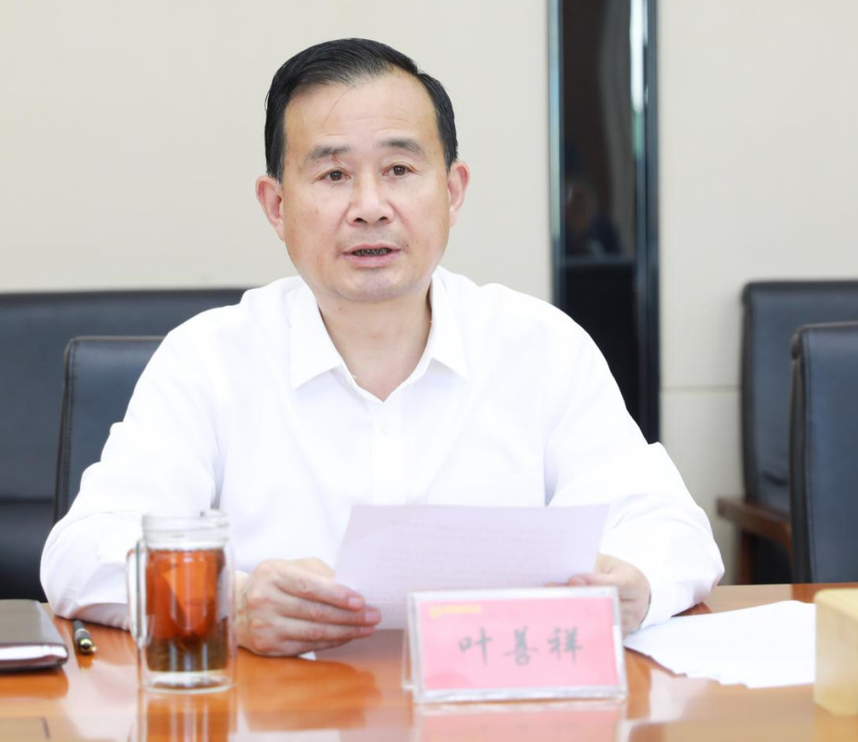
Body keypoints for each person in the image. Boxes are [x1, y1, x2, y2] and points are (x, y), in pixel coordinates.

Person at [41, 38, 722, 656]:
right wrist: (230, 601)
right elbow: (79, 552)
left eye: (398, 168)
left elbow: (669, 527)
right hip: (281, 719)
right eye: (333, 176)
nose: (370, 206)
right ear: (276, 206)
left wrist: (634, 584)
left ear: (451, 191)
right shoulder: (209, 360)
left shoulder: (539, 347)